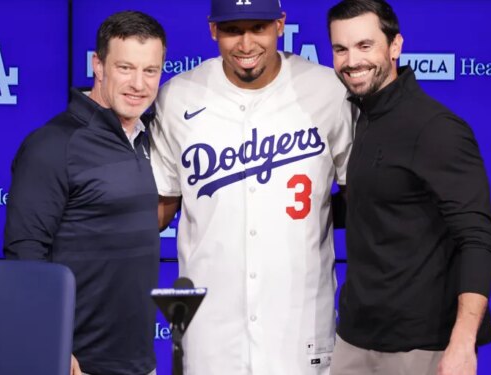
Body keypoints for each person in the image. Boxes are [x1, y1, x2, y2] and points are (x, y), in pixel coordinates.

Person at [149, 0, 355, 373]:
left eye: (258, 28)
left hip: (302, 323)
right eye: (232, 30)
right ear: (213, 30)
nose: (246, 44)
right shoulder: (177, 96)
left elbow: (364, 193)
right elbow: (160, 207)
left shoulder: (327, 90)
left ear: (280, 25)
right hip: (210, 331)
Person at [325, 1, 491, 374]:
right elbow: (372, 205)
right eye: (341, 49)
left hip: (421, 346)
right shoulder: (359, 117)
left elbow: (477, 238)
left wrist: (463, 343)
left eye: (365, 46)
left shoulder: (437, 129)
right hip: (354, 337)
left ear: (395, 46)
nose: (352, 60)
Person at [3, 11, 166, 375]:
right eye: (125, 68)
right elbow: (25, 254)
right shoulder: (54, 144)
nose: (138, 84)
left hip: (141, 363)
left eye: (150, 71)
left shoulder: (151, 137)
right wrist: (54, 347)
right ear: (98, 65)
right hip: (79, 364)